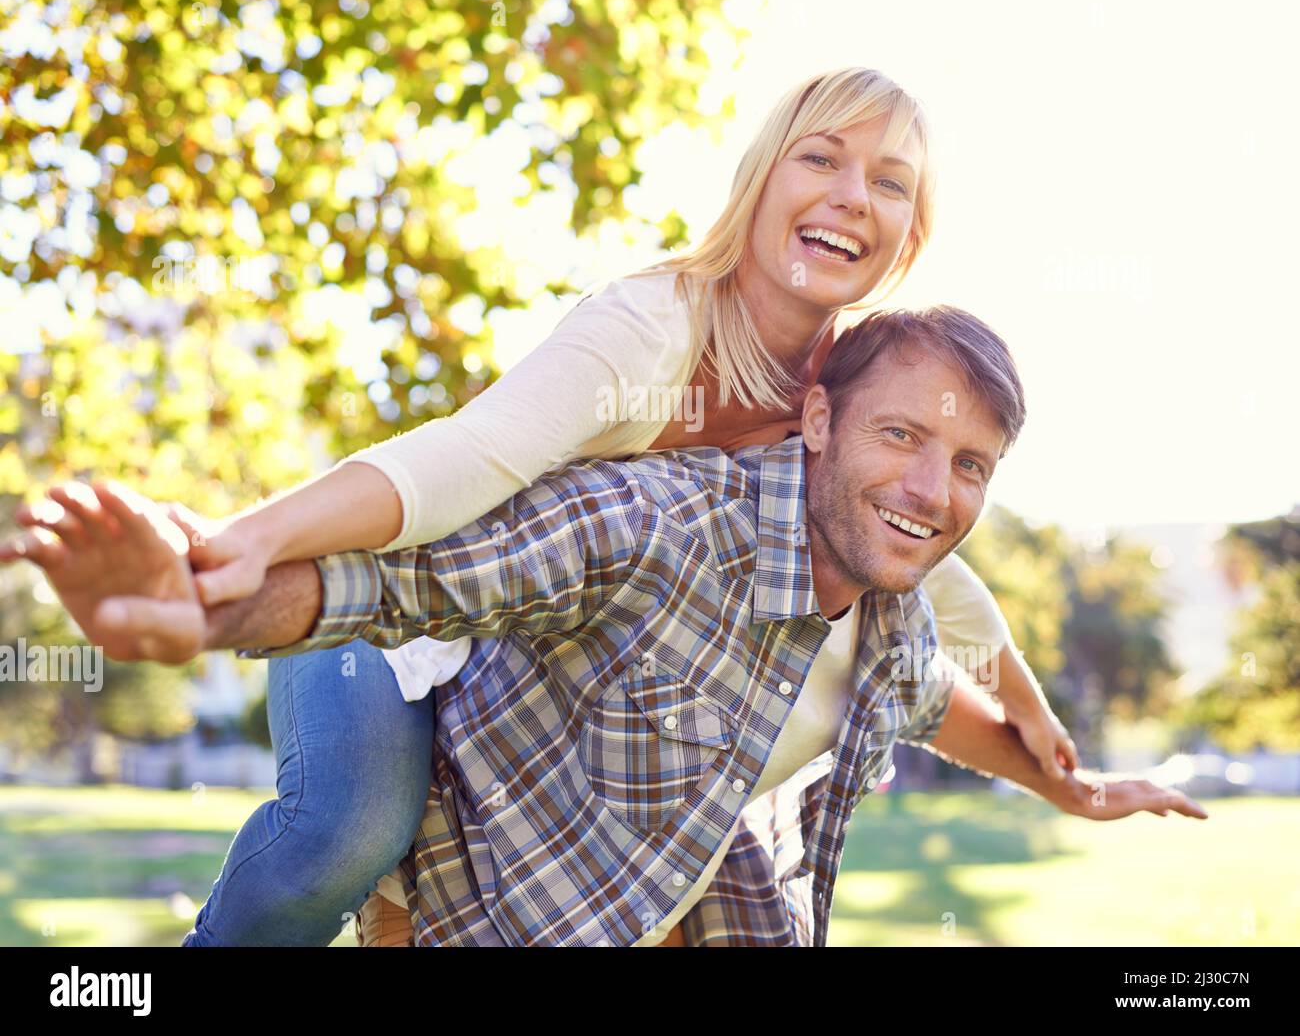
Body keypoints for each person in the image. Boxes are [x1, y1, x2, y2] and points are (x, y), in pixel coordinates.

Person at [13, 67, 1077, 946]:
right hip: (397, 613)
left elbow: (929, 554)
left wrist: (1026, 705)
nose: (852, 192)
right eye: (821, 157)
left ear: (909, 231)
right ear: (759, 182)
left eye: (889, 180)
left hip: (520, 663)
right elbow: (468, 456)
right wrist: (232, 547)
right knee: (350, 825)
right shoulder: (655, 328)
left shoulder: (845, 390)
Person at [4, 306, 1206, 946]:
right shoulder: (660, 517)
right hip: (391, 651)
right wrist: (202, 595)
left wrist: (1077, 788)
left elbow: (941, 702)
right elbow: (397, 579)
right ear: (818, 418)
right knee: (347, 823)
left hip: (573, 851)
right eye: (900, 436)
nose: (933, 489)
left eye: (969, 466)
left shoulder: (894, 619)